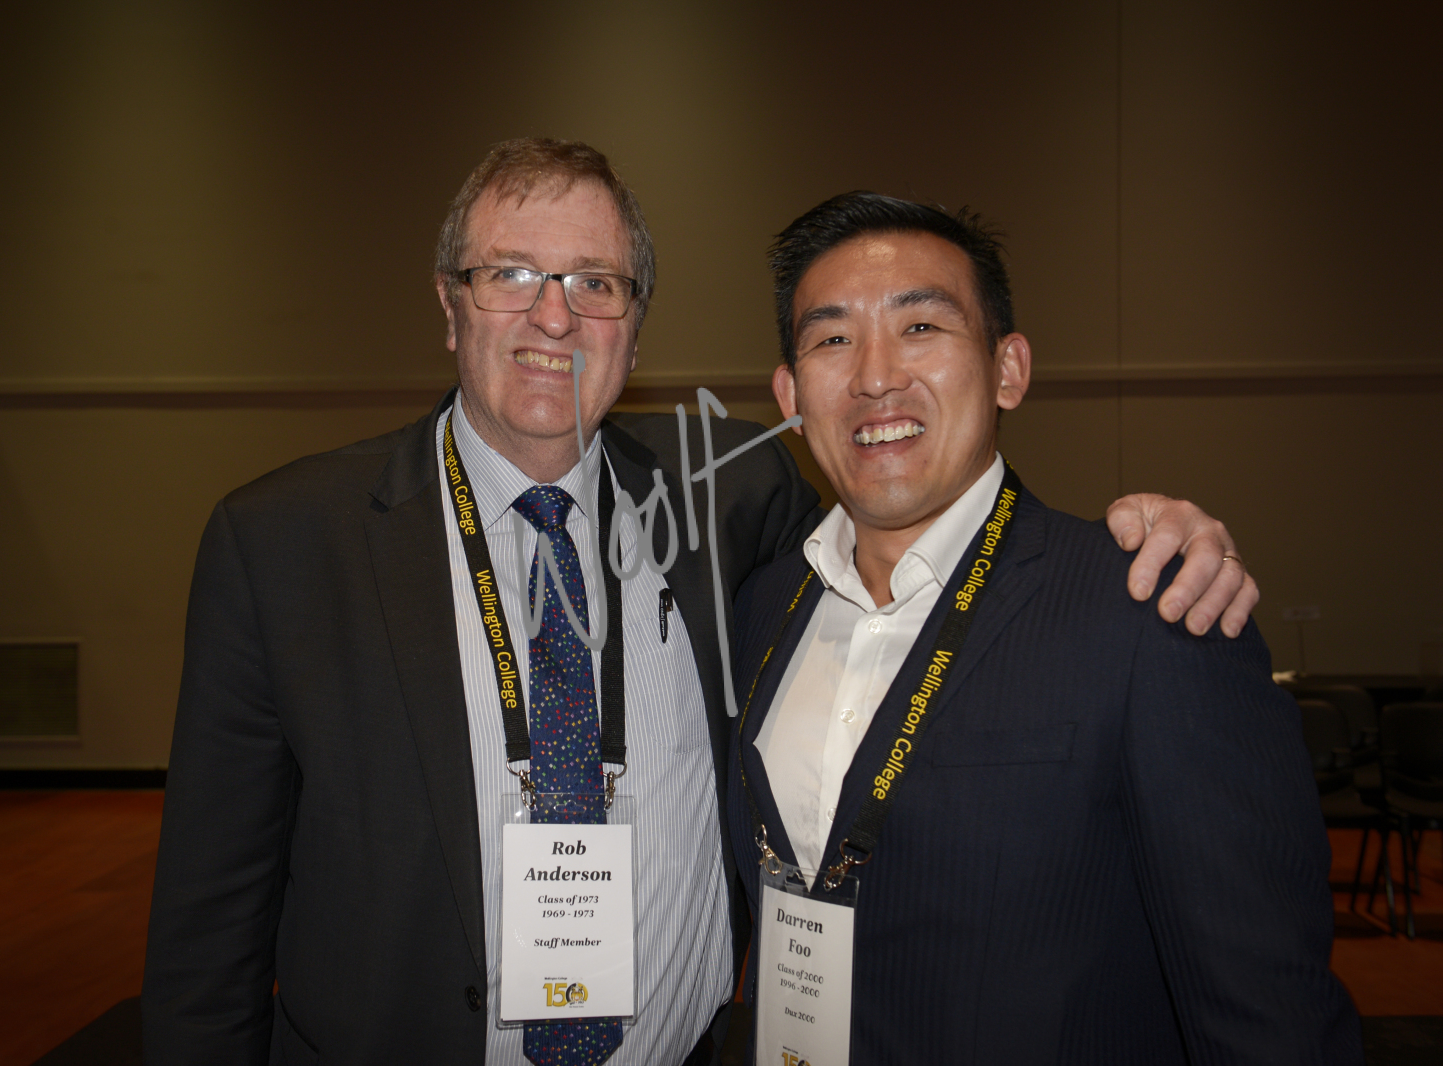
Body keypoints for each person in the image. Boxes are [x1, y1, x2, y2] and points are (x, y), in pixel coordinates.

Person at [142, 140, 1259, 1065]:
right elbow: (209, 934)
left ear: (635, 325)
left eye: (596, 283)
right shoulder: (284, 544)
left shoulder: (732, 498)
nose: (554, 317)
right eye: (511, 274)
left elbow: (928, 524)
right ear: (448, 304)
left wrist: (1154, 532)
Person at [728, 192, 1361, 1063]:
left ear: (1008, 370)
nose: (875, 375)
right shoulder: (760, 606)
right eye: (832, 339)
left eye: (921, 327)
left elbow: (1268, 1014)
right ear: (791, 394)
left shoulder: (1151, 611)